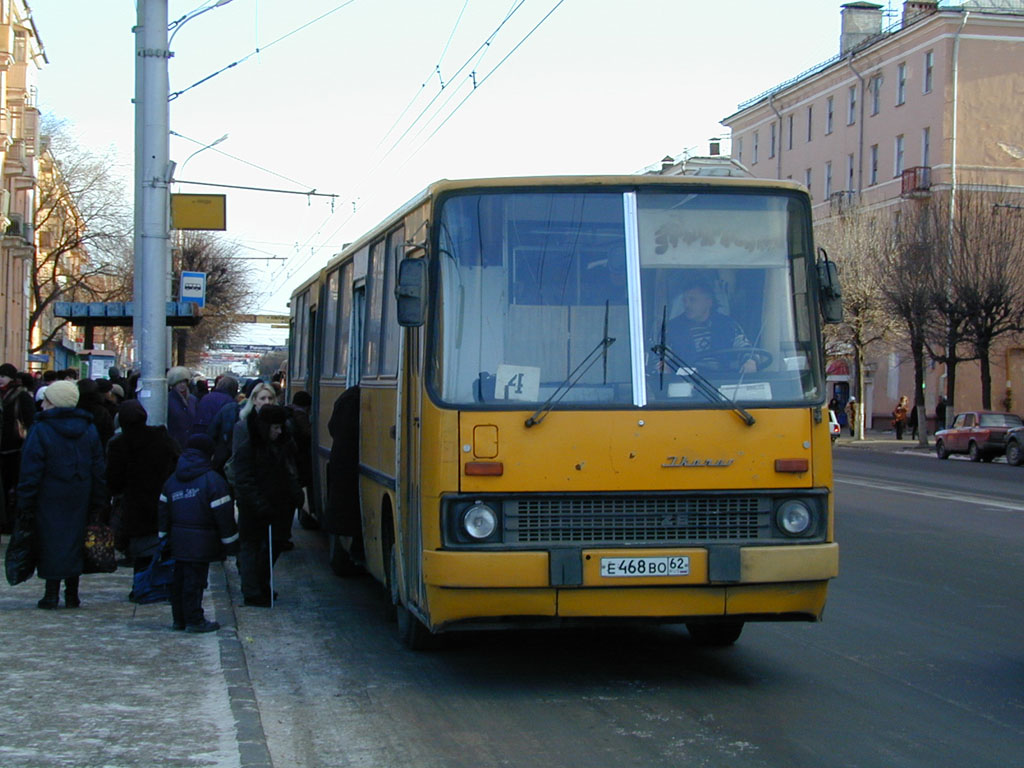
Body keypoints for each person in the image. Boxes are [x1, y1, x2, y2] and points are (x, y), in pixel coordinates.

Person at [16, 380, 107, 609]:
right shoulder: (88, 428)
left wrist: (24, 500)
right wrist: (98, 498)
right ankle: (72, 593)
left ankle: (51, 593)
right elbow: (98, 466)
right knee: (75, 539)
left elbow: (31, 468)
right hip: (80, 492)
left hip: (49, 494)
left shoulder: (41, 429)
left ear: (53, 402)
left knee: (51, 540)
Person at [158, 433, 238, 633]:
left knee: (179, 580)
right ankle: (195, 620)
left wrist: (163, 538)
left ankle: (179, 619)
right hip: (202, 542)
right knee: (195, 582)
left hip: (178, 541)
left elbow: (163, 512)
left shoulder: (172, 480)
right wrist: (231, 544)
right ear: (209, 455)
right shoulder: (213, 481)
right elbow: (224, 516)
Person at [231, 402, 302, 606]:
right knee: (252, 549)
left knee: (272, 547)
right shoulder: (249, 448)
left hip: (277, 507)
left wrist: (295, 494)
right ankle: (252, 591)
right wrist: (260, 505)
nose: (279, 432)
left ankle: (262, 585)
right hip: (254, 510)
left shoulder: (282, 445)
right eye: (275, 428)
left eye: (281, 427)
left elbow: (289, 473)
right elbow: (245, 481)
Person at [106, 400, 180, 583]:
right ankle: (156, 582)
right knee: (159, 543)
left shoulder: (119, 445)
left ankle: (141, 584)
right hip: (160, 499)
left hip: (134, 503)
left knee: (140, 547)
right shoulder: (162, 439)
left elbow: (113, 480)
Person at [665, 280, 757, 373]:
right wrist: (663, 366)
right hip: (686, 382)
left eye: (692, 300)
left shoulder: (728, 325)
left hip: (723, 380)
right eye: (684, 301)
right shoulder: (673, 328)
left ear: (709, 302)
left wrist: (750, 361)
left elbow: (745, 348)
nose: (687, 305)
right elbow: (661, 355)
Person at [1, 363, 36, 534]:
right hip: (4, 447)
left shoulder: (21, 396)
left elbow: (30, 420)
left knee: (13, 486)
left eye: (4, 376)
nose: (1, 379)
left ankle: (10, 520)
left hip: (15, 448)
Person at [166, 366, 197, 450]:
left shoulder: (192, 400)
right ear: (173, 384)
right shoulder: (167, 400)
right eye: (179, 382)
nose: (182, 385)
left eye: (184, 382)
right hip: (173, 444)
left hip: (189, 443)